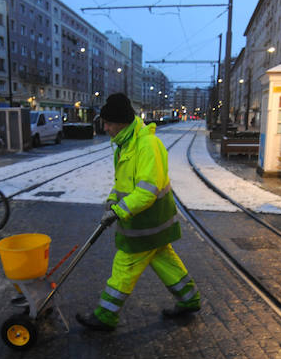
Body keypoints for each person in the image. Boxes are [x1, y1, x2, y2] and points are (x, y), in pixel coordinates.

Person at [76, 93, 201, 331]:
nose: (105, 128)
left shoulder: (146, 145)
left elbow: (147, 192)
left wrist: (119, 212)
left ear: (122, 122)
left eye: (108, 123)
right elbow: (123, 183)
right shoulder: (125, 144)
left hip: (145, 223)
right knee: (165, 261)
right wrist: (113, 201)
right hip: (148, 222)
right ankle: (189, 299)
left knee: (124, 266)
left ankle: (105, 315)